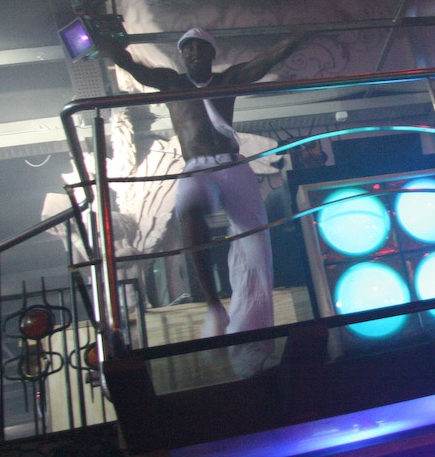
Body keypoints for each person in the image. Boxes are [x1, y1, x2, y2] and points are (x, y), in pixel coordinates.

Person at [102, 27, 305, 373]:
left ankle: (252, 354)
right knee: (189, 212)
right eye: (187, 50)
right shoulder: (172, 83)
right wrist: (105, 41)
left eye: (199, 49)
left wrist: (302, 32)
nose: (193, 54)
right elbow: (131, 65)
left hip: (233, 165)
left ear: (212, 53)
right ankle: (214, 305)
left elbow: (270, 57)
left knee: (257, 250)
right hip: (197, 166)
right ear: (181, 56)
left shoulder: (228, 80)